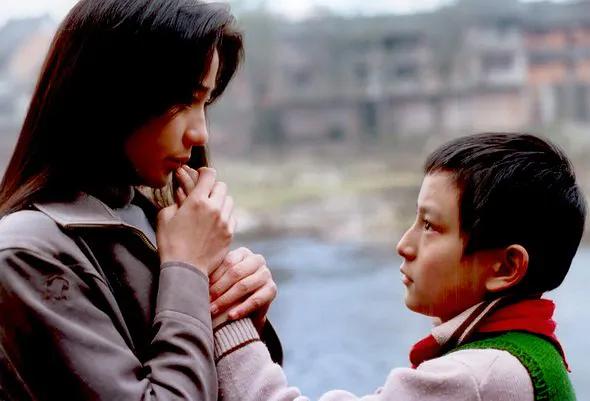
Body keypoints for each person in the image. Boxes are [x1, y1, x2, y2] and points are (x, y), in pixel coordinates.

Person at [0, 1, 280, 400]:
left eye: (204, 103)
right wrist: (187, 267)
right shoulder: (26, 254)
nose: (200, 133)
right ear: (114, 92)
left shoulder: (149, 219)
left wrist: (238, 313)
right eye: (182, 101)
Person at [212, 133, 586, 401]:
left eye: (430, 226)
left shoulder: (477, 377)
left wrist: (227, 318)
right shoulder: (529, 355)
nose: (404, 245)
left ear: (505, 267)